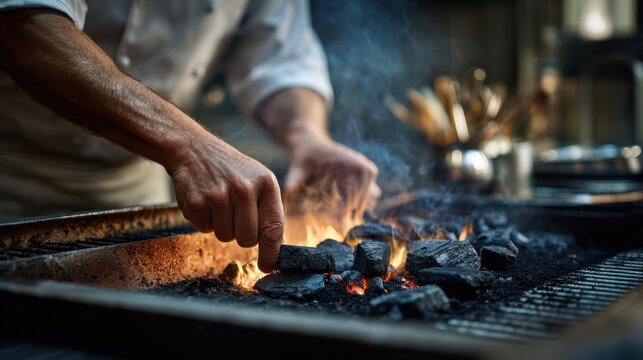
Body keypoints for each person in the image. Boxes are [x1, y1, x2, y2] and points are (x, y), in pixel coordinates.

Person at [0, 0, 379, 272]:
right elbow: (26, 26)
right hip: (12, 175)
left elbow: (280, 58)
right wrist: (190, 147)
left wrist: (307, 135)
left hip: (135, 187)